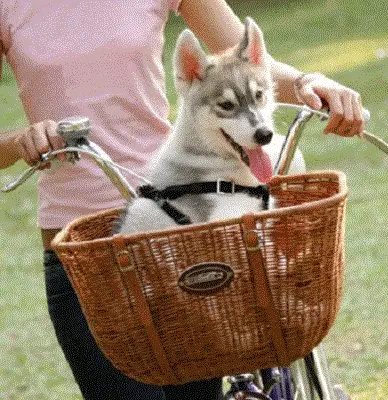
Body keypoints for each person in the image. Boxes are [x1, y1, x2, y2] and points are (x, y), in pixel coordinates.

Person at [0, 0, 365, 398]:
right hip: (84, 253)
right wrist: (21, 141)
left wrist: (309, 82)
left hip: (181, 233)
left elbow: (248, 59)